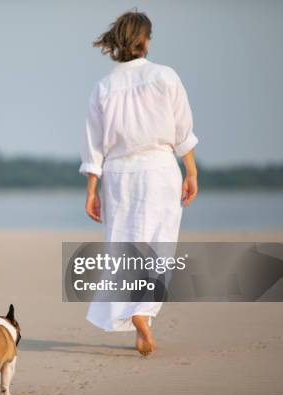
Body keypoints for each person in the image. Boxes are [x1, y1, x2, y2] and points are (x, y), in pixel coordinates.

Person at [79, 10, 199, 356]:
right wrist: (190, 171)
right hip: (160, 168)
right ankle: (143, 312)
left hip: (118, 176)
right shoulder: (165, 76)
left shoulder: (103, 87)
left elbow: (94, 145)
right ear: (144, 40)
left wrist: (91, 189)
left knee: (124, 247)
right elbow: (182, 131)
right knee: (160, 247)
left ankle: (138, 315)